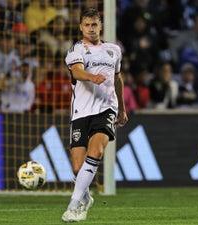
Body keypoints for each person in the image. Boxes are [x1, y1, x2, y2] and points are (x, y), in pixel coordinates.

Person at [62, 8, 128, 222]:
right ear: (81, 27)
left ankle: (73, 206)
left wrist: (123, 108)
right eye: (87, 25)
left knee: (97, 150)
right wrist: (92, 77)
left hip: (106, 108)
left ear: (101, 26)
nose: (91, 28)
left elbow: (118, 79)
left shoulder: (114, 50)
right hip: (81, 112)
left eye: (95, 24)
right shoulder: (76, 50)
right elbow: (77, 72)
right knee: (77, 168)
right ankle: (85, 197)